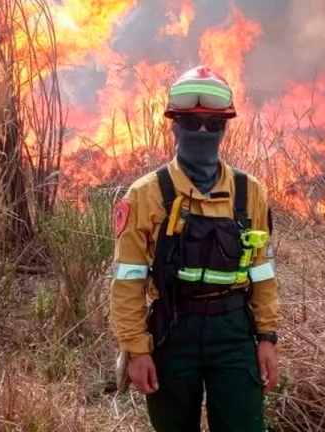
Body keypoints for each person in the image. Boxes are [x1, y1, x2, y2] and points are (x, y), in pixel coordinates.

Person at [109, 65, 280, 432]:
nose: (202, 131)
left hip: (234, 333)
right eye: (190, 121)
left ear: (225, 127)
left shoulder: (250, 192)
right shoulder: (145, 194)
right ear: (173, 125)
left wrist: (267, 338)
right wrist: (136, 349)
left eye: (213, 123)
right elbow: (128, 280)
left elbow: (262, 272)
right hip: (172, 332)